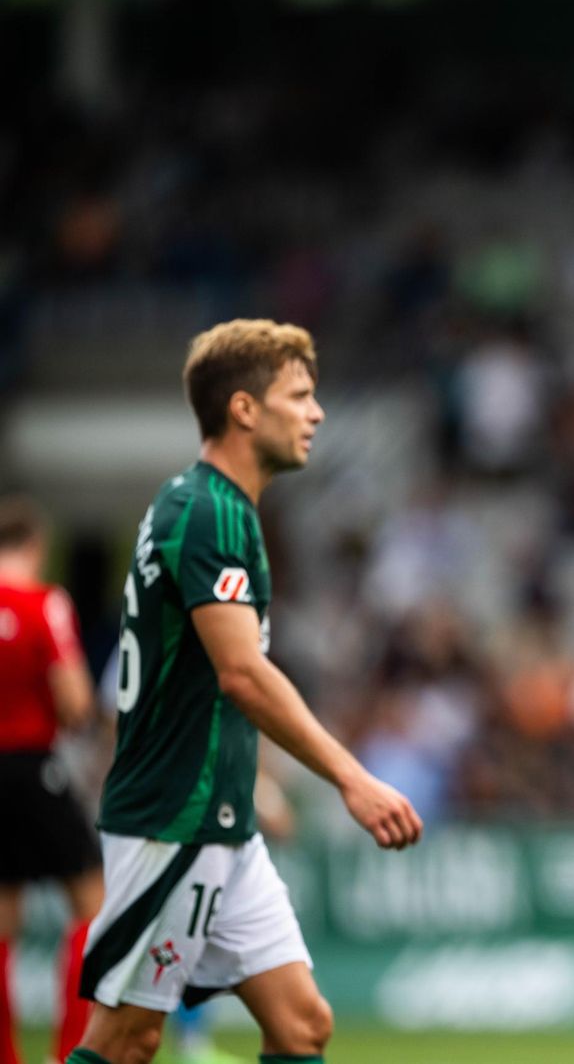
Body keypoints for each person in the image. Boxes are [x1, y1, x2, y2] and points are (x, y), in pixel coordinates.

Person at [67, 320, 423, 1064]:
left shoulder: (216, 508)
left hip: (220, 822)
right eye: (299, 395)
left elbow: (212, 687)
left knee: (301, 1025)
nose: (316, 413)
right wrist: (351, 778)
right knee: (126, 1040)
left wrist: (253, 786)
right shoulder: (208, 512)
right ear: (243, 409)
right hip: (173, 820)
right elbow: (242, 672)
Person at [0, 497, 100, 1064]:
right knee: (92, 905)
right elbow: (75, 702)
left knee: (2, 919)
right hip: (35, 766)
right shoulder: (46, 604)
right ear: (36, 545)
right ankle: (72, 1052)